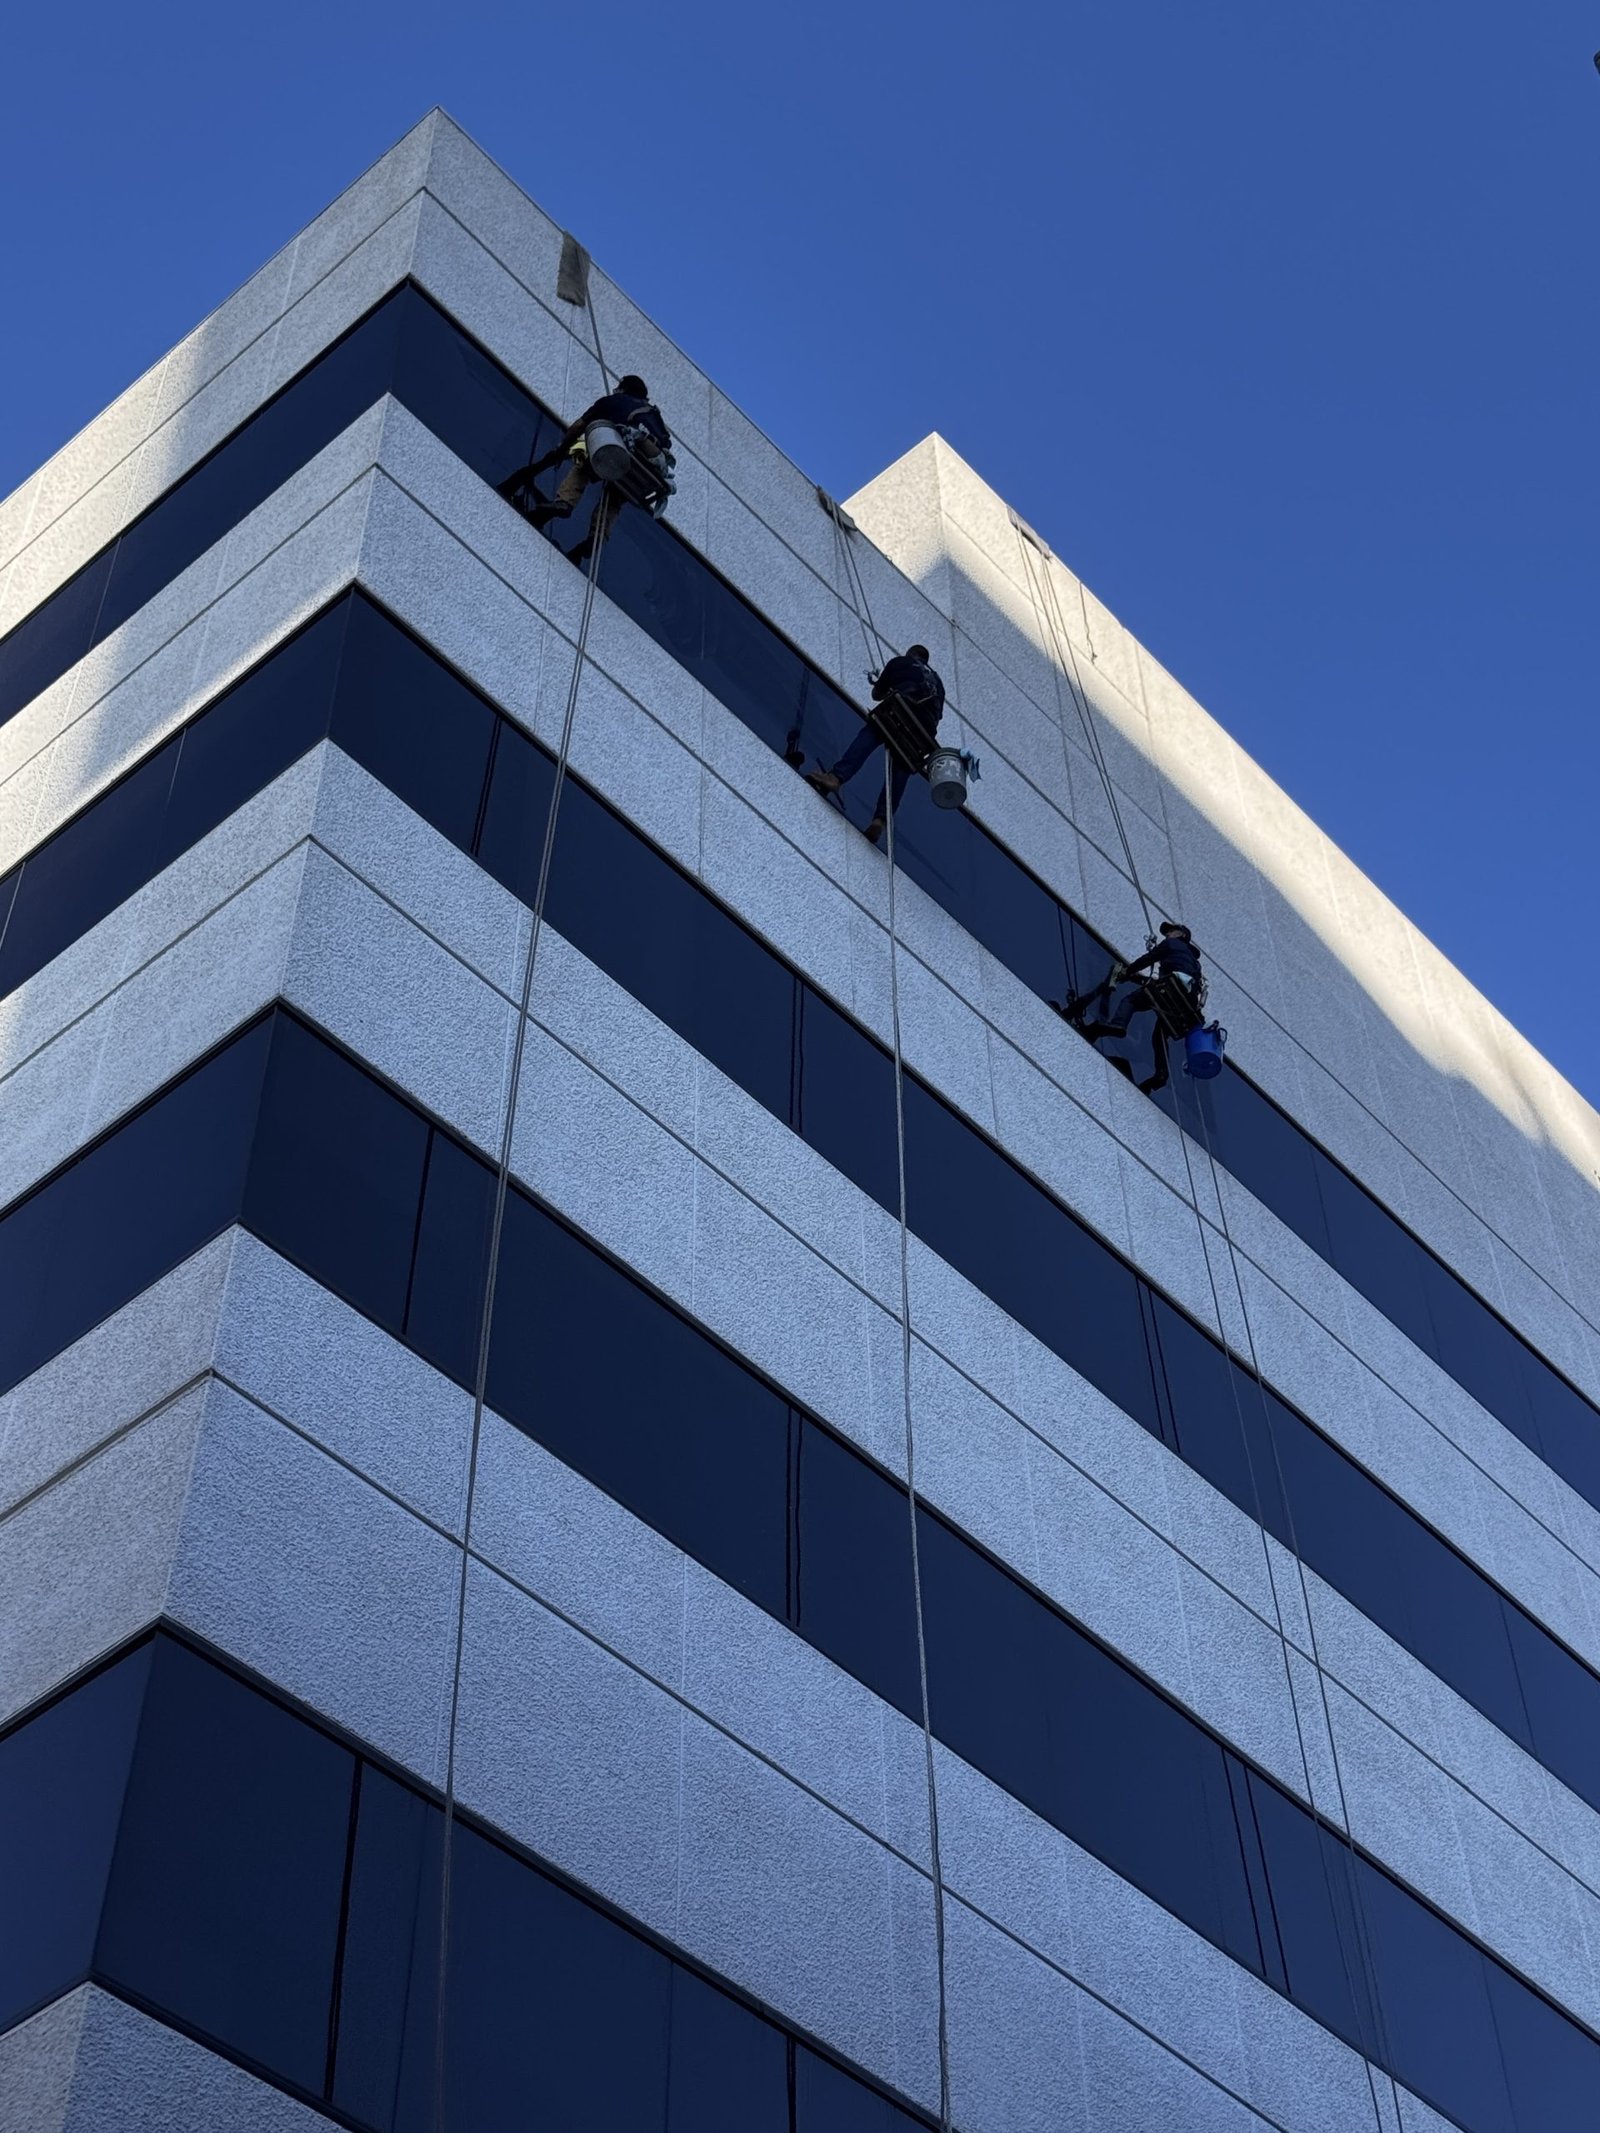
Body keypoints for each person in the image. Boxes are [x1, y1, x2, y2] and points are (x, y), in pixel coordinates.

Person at [499, 374, 671, 560]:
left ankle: (565, 502)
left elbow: (578, 427)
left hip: (623, 454)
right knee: (614, 500)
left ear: (623, 389)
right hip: (647, 471)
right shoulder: (655, 417)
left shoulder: (614, 401)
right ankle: (597, 538)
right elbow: (666, 446)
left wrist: (561, 449)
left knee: (585, 464)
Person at [805, 646, 947, 843]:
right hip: (923, 732)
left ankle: (836, 777)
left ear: (911, 654)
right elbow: (937, 714)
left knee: (871, 733)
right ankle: (880, 820)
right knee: (903, 764)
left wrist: (881, 684)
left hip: (901, 710)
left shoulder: (901, 662)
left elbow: (877, 694)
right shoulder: (939, 684)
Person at [1070, 921, 1204, 1093]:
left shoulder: (1172, 944)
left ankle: (1118, 1025)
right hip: (1186, 1001)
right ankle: (1161, 1074)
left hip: (1172, 987)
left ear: (1181, 934)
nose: (1167, 935)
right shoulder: (1195, 964)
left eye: (1171, 931)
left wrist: (1128, 971)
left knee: (1131, 1000)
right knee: (1159, 1036)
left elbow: (1148, 959)